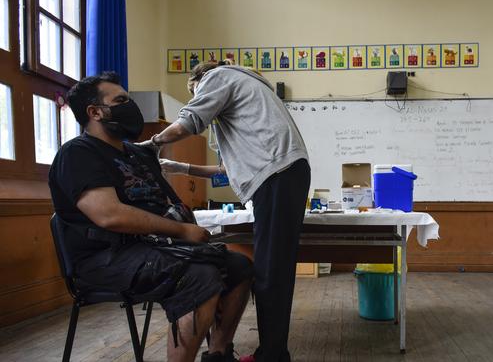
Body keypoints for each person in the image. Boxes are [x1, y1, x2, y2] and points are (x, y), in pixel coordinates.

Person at [49, 72, 254, 362]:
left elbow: (170, 201)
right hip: (106, 257)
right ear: (94, 112)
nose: (129, 106)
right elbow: (109, 215)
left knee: (239, 266)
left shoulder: (138, 155)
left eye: (128, 99)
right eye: (120, 100)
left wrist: (191, 230)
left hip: (155, 247)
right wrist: (182, 232)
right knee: (199, 276)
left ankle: (218, 355)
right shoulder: (78, 154)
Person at [139, 61, 311, 362]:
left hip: (277, 175)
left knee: (271, 272)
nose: (200, 97)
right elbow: (226, 170)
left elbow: (189, 121)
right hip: (285, 173)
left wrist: (151, 144)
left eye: (197, 92)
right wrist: (181, 167)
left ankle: (272, 356)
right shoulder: (248, 93)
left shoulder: (218, 77)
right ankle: (271, 353)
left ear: (199, 80)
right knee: (272, 270)